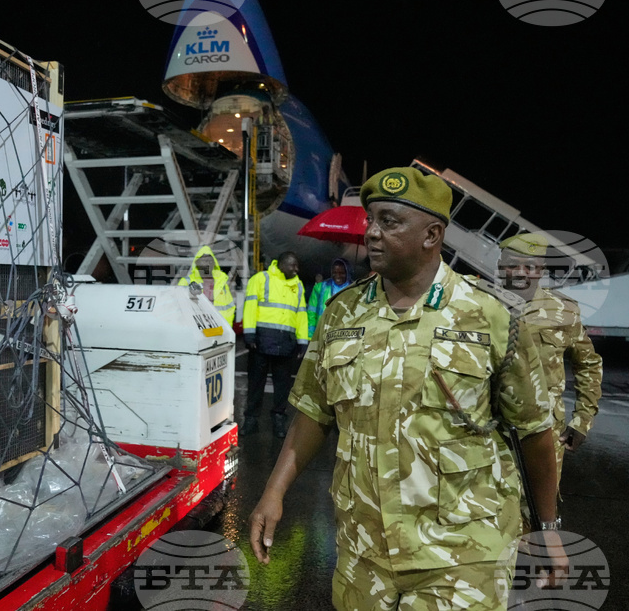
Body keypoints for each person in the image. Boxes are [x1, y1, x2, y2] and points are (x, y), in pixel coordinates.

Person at [248, 167, 566, 610]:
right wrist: (273, 492)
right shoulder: (343, 313)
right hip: (363, 549)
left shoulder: (489, 316)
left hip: (462, 551)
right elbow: (313, 411)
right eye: (371, 219)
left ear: (431, 234)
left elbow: (534, 432)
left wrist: (548, 530)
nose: (372, 232)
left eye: (390, 221)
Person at [497, 232, 603, 485]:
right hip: (488, 430)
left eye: (530, 267)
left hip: (543, 430)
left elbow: (588, 365)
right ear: (500, 267)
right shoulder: (477, 306)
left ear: (541, 270)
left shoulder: (564, 311)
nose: (520, 273)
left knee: (539, 502)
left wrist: (582, 420)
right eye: (512, 265)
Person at [242, 251, 309, 438]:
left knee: (282, 387)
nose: (296, 269)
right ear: (281, 264)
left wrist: (303, 342)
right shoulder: (260, 279)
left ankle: (279, 420)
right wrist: (249, 334)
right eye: (292, 265)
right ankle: (251, 420)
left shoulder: (297, 285)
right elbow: (250, 307)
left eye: (297, 265)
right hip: (261, 342)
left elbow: (301, 315)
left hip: (285, 345)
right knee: (256, 384)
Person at [179, 245, 236, 326]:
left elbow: (229, 308)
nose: (207, 263)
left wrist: (227, 327)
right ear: (196, 263)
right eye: (204, 260)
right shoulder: (186, 282)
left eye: (210, 260)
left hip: (219, 328)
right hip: (195, 328)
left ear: (214, 263)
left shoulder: (221, 283)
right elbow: (178, 307)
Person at [307, 258, 352, 338]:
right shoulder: (320, 288)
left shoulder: (355, 290)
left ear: (348, 273)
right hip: (322, 334)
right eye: (335, 273)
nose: (338, 276)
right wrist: (310, 337)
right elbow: (311, 313)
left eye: (341, 273)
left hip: (344, 336)